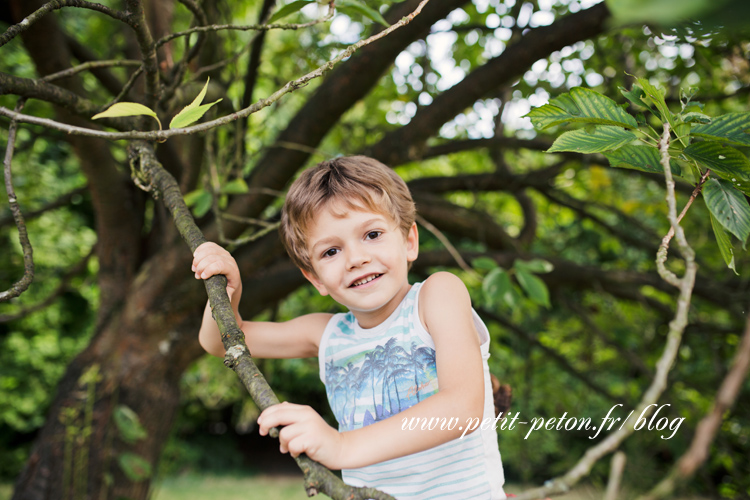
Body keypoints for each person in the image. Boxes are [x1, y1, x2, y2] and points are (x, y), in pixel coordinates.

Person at [192, 156, 505, 499]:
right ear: (315, 278)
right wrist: (228, 294)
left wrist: (341, 446)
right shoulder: (326, 334)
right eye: (331, 252)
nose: (356, 258)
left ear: (409, 241)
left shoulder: (436, 296)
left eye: (372, 234)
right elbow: (221, 342)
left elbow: (462, 408)